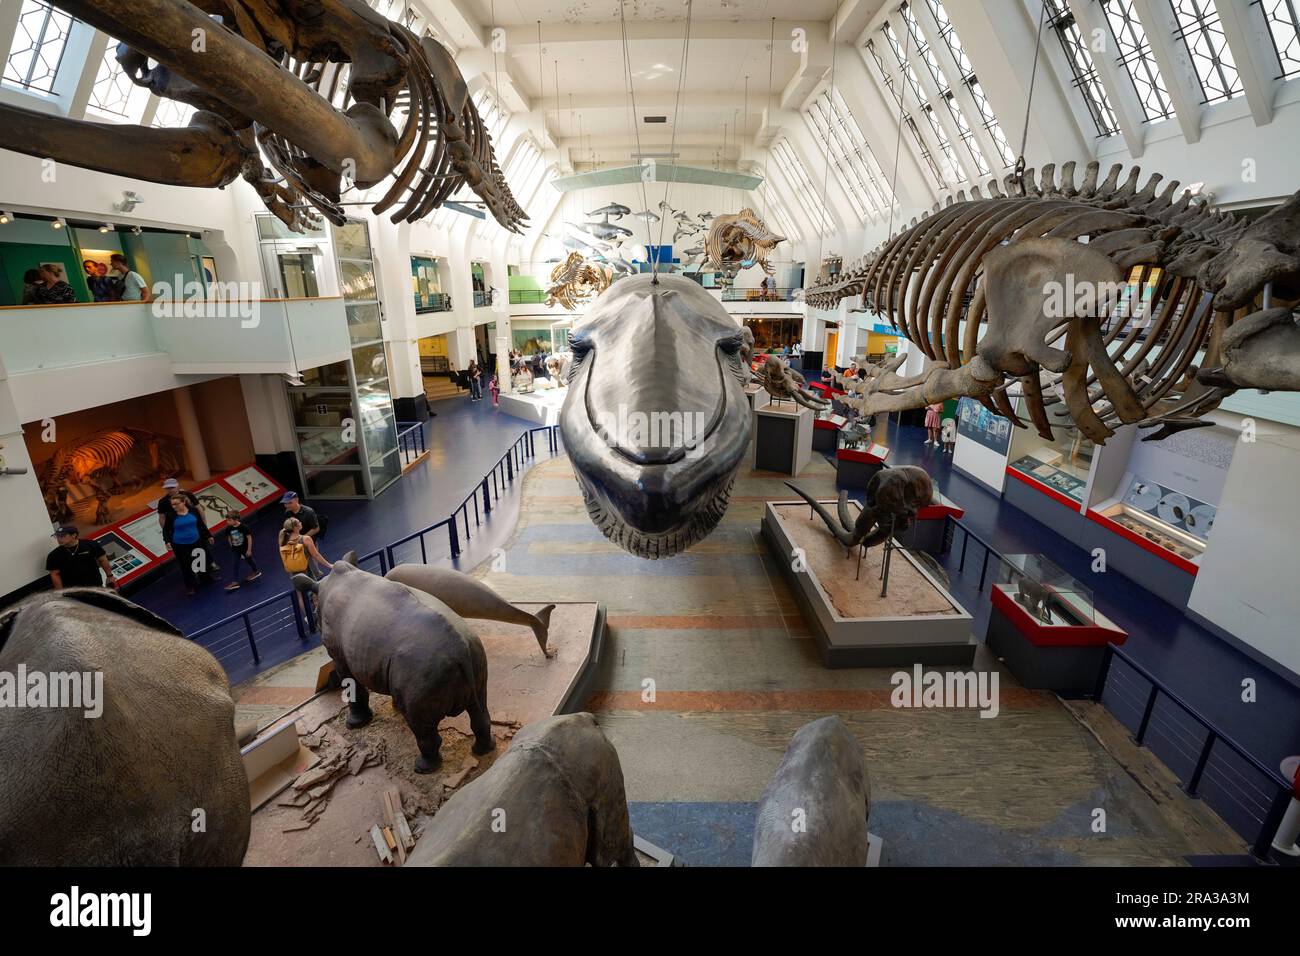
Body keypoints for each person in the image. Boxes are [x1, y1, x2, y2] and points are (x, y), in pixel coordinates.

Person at [170, 496, 215, 596]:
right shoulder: (171, 515)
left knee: (200, 559)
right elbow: (167, 529)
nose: (174, 506)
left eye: (176, 504)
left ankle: (205, 578)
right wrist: (167, 541)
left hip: (196, 539)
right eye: (172, 504)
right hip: (180, 543)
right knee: (186, 564)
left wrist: (208, 535)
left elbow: (200, 524)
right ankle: (191, 586)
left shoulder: (193, 510)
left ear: (183, 502)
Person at [45, 525, 115, 589]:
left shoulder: (90, 545)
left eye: (63, 536)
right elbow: (55, 574)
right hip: (72, 591)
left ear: (74, 535)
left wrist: (110, 576)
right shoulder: (53, 555)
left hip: (95, 586)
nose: (59, 539)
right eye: (57, 536)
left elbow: (102, 559)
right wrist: (60, 592)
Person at [223, 511, 262, 591]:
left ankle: (256, 571)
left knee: (249, 560)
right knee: (235, 564)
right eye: (227, 520)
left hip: (244, 548)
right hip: (236, 549)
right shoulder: (228, 528)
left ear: (236, 519)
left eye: (229, 520)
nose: (227, 522)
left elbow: (249, 538)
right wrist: (232, 547)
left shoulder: (243, 527)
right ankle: (235, 582)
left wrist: (249, 549)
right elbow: (229, 537)